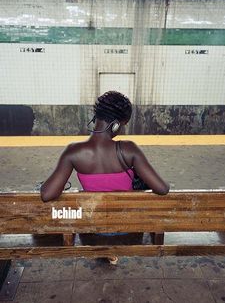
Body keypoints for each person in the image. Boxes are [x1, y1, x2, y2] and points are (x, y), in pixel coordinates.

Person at [40, 91, 169, 264]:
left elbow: (46, 194)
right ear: (116, 126)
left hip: (93, 231)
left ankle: (107, 254)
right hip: (129, 230)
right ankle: (111, 254)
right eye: (123, 125)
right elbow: (162, 188)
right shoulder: (129, 149)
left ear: (96, 118)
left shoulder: (73, 152)